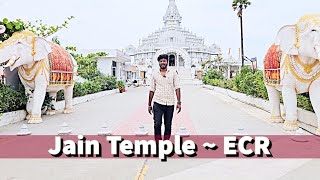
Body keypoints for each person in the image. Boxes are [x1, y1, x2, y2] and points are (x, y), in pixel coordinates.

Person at [148, 54, 181, 141]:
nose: (163, 62)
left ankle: (166, 143)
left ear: (167, 62)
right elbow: (152, 89)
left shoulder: (173, 73)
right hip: (158, 103)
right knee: (157, 124)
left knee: (168, 125)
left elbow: (177, 87)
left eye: (164, 61)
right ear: (159, 62)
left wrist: (179, 102)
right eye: (161, 61)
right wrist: (149, 104)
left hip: (170, 103)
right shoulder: (155, 74)